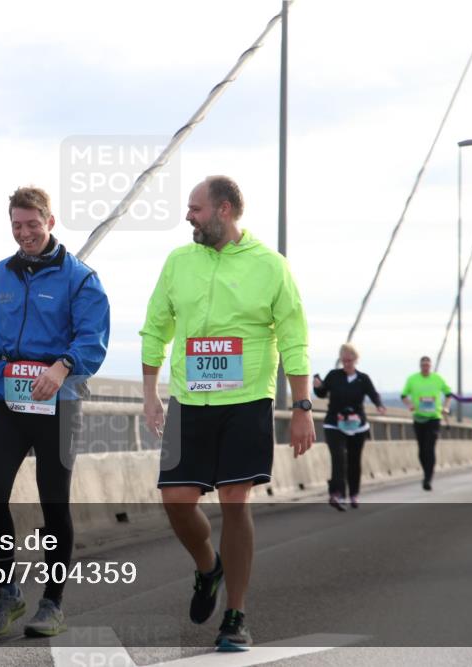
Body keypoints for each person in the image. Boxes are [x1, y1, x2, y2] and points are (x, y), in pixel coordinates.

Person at [140, 176, 313, 650]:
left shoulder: (270, 266)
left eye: (195, 208)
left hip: (246, 400)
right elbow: (156, 326)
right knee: (175, 500)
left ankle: (235, 615)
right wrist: (150, 392)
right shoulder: (179, 261)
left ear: (224, 210)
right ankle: (207, 567)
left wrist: (301, 406)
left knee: (235, 500)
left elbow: (294, 335)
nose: (188, 216)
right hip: (189, 401)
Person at [0, 186, 110, 637]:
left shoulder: (80, 278)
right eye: (17, 225)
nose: (25, 232)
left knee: (55, 503)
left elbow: (93, 340)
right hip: (10, 405)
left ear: (50, 222)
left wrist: (63, 365)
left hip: (61, 403)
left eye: (33, 224)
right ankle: (8, 593)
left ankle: (52, 602)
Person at [313, 343, 386, 510]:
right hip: (334, 423)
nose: (347, 363)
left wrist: (379, 405)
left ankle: (354, 494)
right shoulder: (334, 375)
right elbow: (322, 393)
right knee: (339, 458)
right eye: (344, 360)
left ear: (356, 360)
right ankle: (337, 493)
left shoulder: (363, 378)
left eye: (350, 360)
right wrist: (317, 386)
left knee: (354, 460)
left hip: (357, 425)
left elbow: (373, 394)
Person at [401, 356, 452, 491]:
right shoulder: (412, 379)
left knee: (430, 447)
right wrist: (410, 404)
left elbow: (448, 393)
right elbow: (403, 395)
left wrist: (446, 407)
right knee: (422, 450)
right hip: (419, 418)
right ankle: (426, 472)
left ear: (431, 366)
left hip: (434, 417)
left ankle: (428, 478)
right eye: (423, 365)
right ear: (420, 366)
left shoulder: (438, 379)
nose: (425, 367)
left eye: (427, 365)